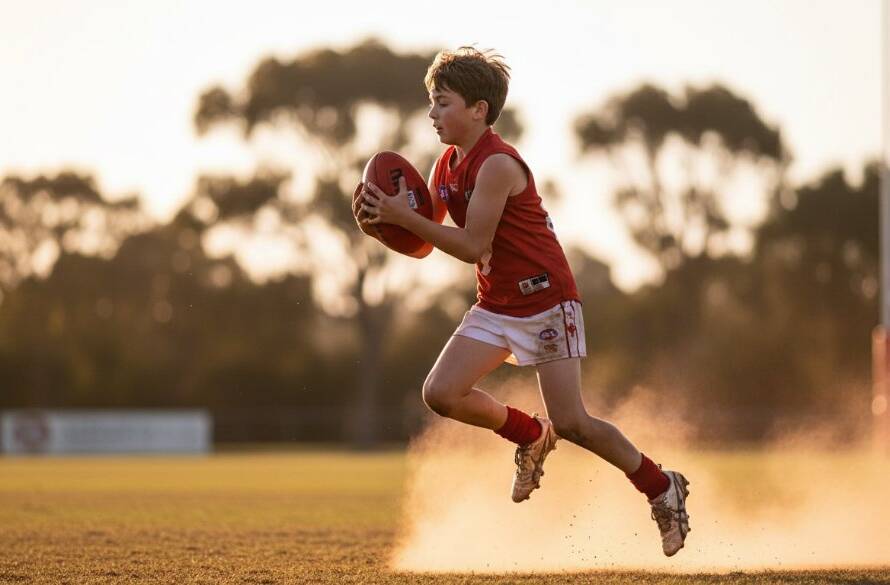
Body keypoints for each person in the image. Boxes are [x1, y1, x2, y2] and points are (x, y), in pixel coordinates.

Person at [357, 46, 690, 557]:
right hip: (497, 304)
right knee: (441, 393)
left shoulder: (497, 165)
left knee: (575, 422)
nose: (432, 114)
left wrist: (403, 219)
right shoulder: (447, 162)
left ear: (478, 110)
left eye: (442, 103)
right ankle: (531, 433)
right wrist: (383, 225)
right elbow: (425, 242)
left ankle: (660, 485)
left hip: (546, 302)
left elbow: (471, 245)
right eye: (431, 102)